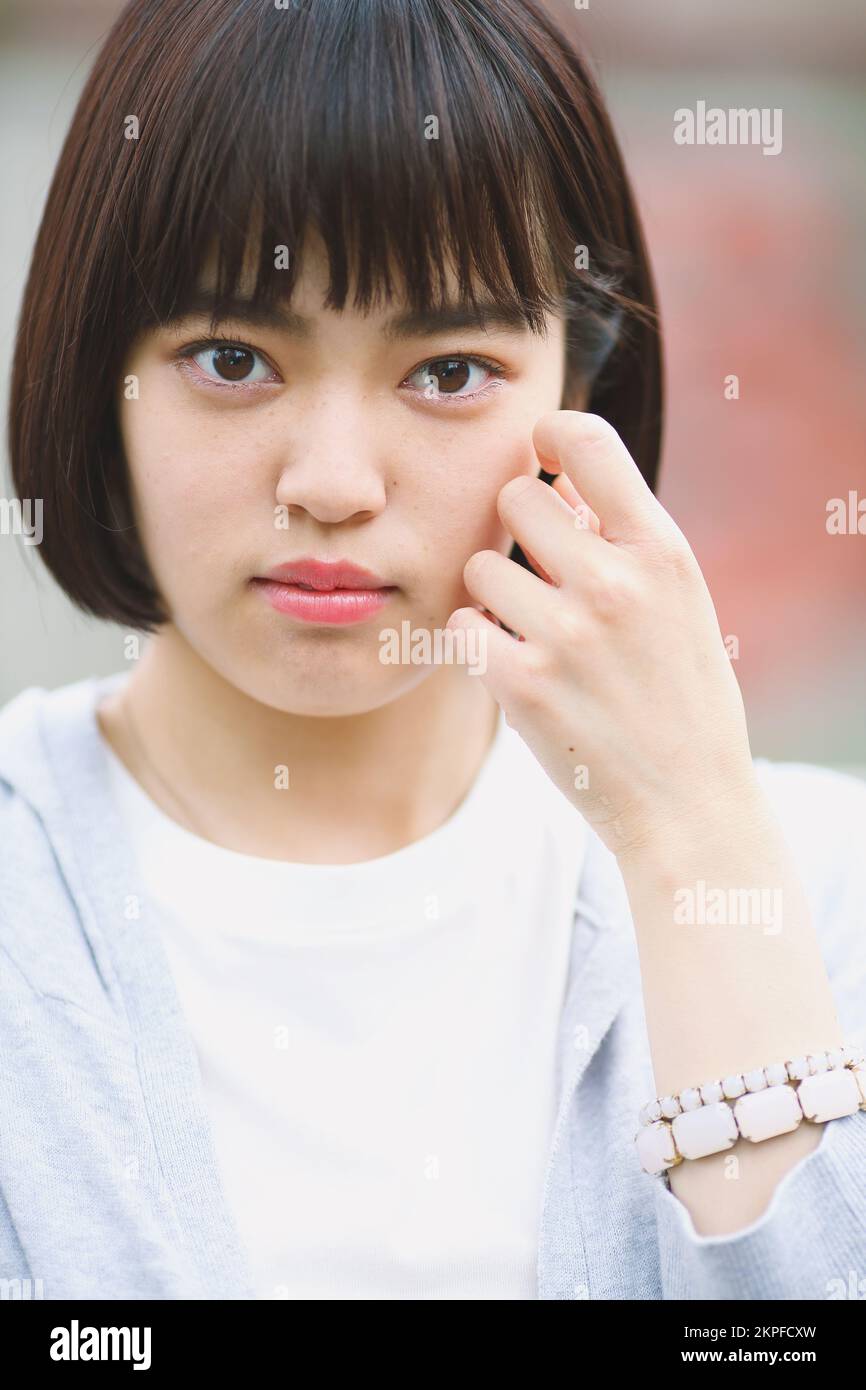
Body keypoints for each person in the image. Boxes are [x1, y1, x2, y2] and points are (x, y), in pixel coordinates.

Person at [2, 0, 864, 1302]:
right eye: (232, 358)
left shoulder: (816, 893)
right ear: (93, 377)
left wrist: (694, 839)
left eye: (448, 370)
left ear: (579, 402)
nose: (334, 482)